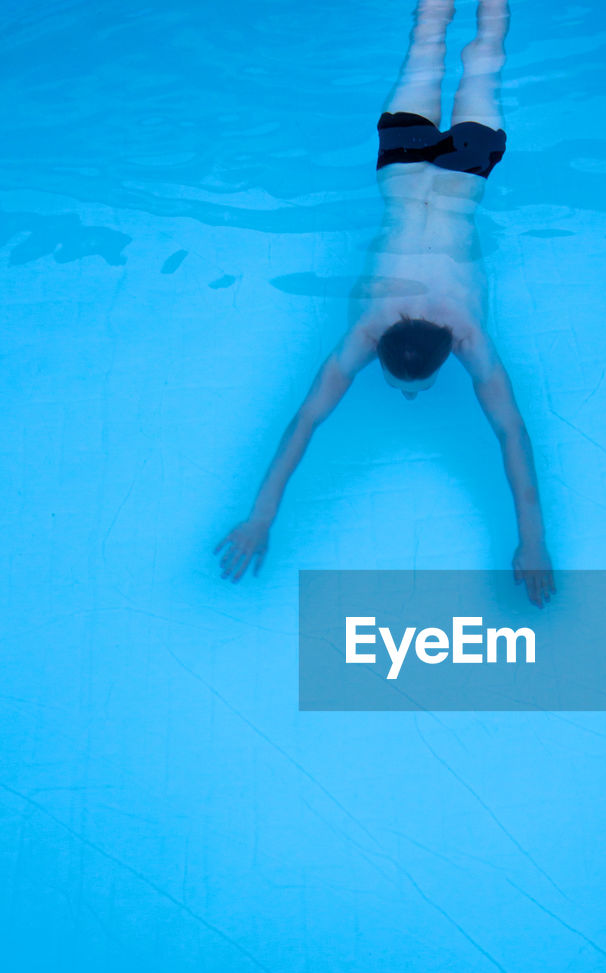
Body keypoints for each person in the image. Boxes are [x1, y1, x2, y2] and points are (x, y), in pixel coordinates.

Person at [216, 0, 555, 606]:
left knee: (484, 56)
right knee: (427, 38)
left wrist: (263, 516)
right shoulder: (389, 329)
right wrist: (532, 541)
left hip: (467, 174)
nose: (403, 392)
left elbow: (308, 421)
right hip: (400, 168)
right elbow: (510, 432)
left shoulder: (453, 332)